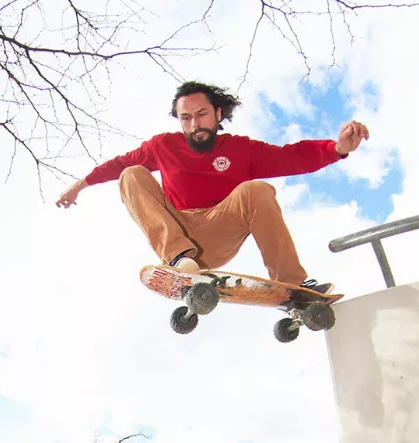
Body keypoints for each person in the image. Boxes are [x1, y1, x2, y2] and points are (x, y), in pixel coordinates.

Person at [56, 81, 369, 292]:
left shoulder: (241, 149)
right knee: (131, 173)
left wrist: (337, 148)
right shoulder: (163, 145)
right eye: (186, 118)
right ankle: (180, 261)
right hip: (176, 229)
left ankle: (291, 284)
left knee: (256, 190)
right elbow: (117, 164)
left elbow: (291, 157)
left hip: (219, 231)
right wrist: (80, 185)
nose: (195, 125)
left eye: (202, 115)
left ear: (218, 114)